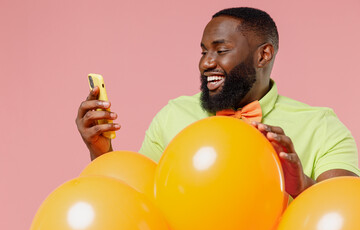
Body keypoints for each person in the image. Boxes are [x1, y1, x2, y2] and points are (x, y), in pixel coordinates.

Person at [76, 7, 359, 199]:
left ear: (264, 55)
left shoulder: (321, 126)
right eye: (203, 51)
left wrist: (303, 186)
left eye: (221, 50)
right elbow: (134, 206)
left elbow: (343, 215)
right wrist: (102, 153)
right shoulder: (173, 115)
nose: (206, 63)